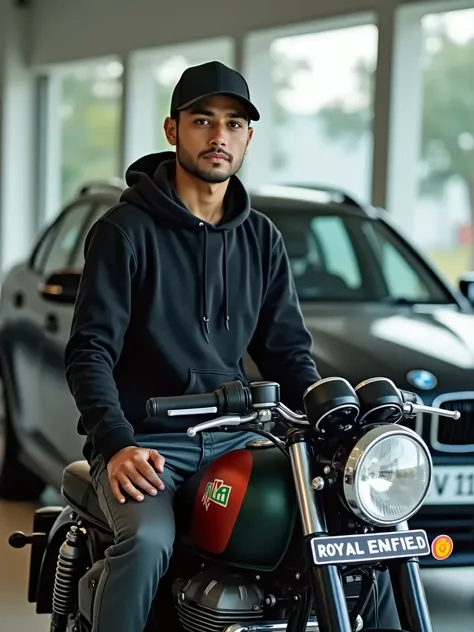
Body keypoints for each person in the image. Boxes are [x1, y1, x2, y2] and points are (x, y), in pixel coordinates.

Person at [64, 60, 400, 632]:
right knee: (147, 541)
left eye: (234, 123)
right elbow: (89, 352)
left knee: (361, 531)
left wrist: (335, 415)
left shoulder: (261, 238)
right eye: (202, 120)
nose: (219, 136)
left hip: (237, 436)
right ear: (173, 131)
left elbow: (287, 352)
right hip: (146, 443)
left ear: (248, 135)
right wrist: (116, 442)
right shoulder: (124, 232)